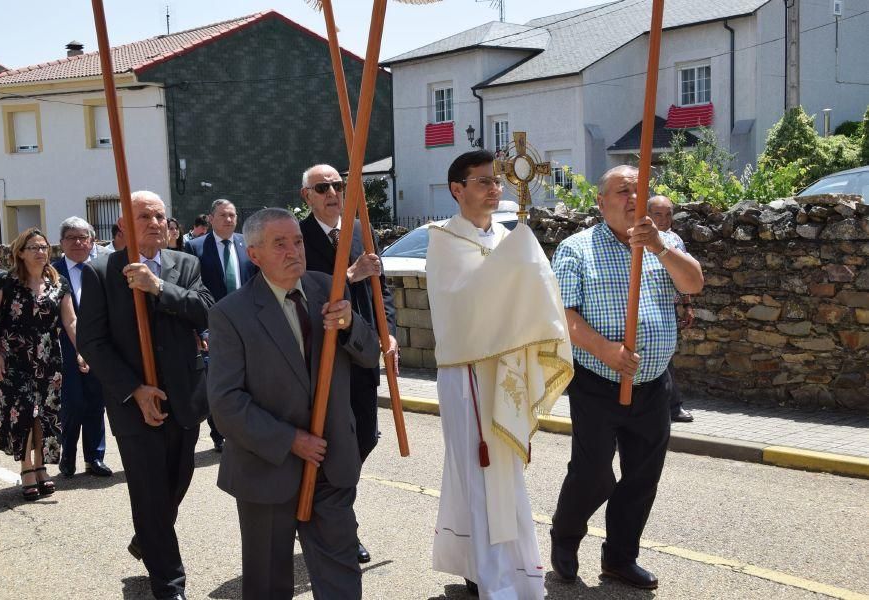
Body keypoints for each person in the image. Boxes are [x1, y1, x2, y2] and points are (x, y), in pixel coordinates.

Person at [209, 207, 379, 600]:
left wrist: (352, 324)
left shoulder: (329, 289)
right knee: (269, 583)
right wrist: (290, 440)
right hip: (267, 468)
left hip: (330, 464)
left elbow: (370, 357)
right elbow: (226, 404)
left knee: (341, 577)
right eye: (279, 243)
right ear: (255, 255)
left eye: (297, 241)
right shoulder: (230, 315)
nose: (293, 251)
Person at [426, 150, 574, 598]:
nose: (495, 189)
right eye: (484, 182)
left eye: (497, 182)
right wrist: (519, 259)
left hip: (505, 368)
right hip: (467, 371)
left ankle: (504, 566)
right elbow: (465, 304)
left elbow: (537, 292)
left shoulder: (508, 237)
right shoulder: (444, 240)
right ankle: (487, 572)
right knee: (474, 471)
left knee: (504, 472)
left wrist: (522, 257)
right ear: (458, 189)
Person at [549, 166, 704, 589]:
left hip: (653, 385)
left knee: (642, 476)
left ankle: (619, 559)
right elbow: (563, 316)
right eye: (622, 191)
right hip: (597, 382)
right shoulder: (576, 249)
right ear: (601, 203)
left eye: (640, 190)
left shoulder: (665, 241)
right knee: (593, 472)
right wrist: (607, 350)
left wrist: (658, 247)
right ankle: (564, 539)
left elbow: (693, 283)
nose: (633, 197)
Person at [78, 191, 213, 600]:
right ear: (123, 225)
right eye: (144, 216)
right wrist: (134, 389)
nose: (155, 222)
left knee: (178, 481)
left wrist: (158, 288)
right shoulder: (101, 272)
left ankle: (147, 536)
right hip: (134, 405)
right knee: (150, 492)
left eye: (159, 215)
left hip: (183, 399)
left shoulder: (185, 264)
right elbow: (92, 341)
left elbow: (206, 310)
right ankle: (169, 584)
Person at [299, 163, 398, 564]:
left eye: (338, 185)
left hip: (362, 352)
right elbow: (301, 291)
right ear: (307, 195)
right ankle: (340, 527)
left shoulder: (360, 230)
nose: (332, 193)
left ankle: (332, 513)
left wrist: (388, 332)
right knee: (332, 448)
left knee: (365, 438)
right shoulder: (298, 238)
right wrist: (351, 274)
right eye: (322, 187)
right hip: (320, 359)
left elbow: (383, 290)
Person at [0, 228, 79, 501]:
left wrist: (82, 351)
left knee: (45, 413)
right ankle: (26, 468)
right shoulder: (6, 282)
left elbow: (70, 321)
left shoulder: (59, 284)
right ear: (20, 253)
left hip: (49, 357)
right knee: (23, 412)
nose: (41, 252)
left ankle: (40, 466)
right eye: (34, 247)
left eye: (44, 247)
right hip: (13, 358)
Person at [184, 199, 257, 452]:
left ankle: (246, 427)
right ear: (211, 219)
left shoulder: (246, 243)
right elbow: (190, 290)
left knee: (250, 377)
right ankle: (220, 432)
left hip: (247, 322)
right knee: (219, 379)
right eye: (223, 215)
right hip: (212, 324)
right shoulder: (194, 247)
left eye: (233, 215)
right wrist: (197, 328)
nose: (229, 219)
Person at [54, 217, 112, 478]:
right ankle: (67, 455)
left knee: (95, 402)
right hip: (63, 348)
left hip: (99, 348)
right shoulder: (51, 272)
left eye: (83, 238)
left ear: (92, 242)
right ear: (62, 243)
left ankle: (95, 458)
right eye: (71, 238)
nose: (78, 243)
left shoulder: (104, 270)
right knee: (72, 403)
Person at [648, 195, 695, 423]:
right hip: (647, 307)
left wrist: (687, 305)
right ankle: (671, 406)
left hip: (667, 307)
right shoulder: (638, 240)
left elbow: (684, 276)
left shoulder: (675, 240)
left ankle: (672, 406)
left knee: (666, 357)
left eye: (668, 215)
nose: (664, 220)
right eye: (658, 214)